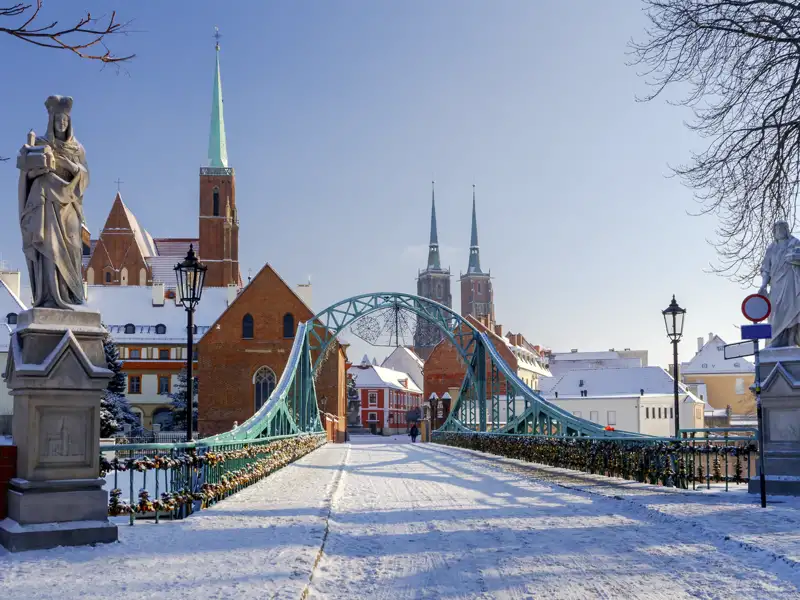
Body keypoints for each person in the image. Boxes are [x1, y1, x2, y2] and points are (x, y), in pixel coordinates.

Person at [18, 95, 89, 309]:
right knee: (49, 249)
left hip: (69, 207)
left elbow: (85, 178)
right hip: (46, 205)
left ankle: (72, 295)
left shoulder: (77, 149)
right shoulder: (40, 144)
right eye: (58, 120)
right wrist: (37, 170)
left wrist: (73, 167)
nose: (62, 124)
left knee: (73, 248)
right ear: (51, 121)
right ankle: (50, 297)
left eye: (65, 121)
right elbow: (26, 177)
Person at [759, 220, 800, 347]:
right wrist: (763, 285)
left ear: (787, 230)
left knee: (793, 310)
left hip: (792, 282)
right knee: (775, 313)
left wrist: (795, 259)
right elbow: (766, 269)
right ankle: (775, 340)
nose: (780, 231)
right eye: (777, 229)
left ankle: (791, 339)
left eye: (782, 228)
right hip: (776, 284)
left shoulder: (795, 243)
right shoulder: (771, 248)